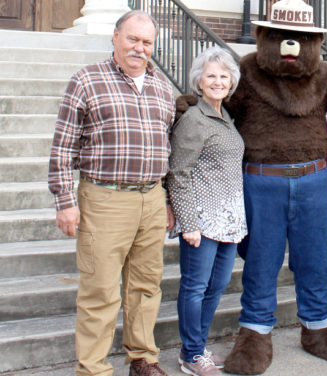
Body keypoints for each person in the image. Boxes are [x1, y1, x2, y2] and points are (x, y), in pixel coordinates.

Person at [48, 10, 175, 376]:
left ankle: (142, 359)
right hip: (104, 199)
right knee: (100, 291)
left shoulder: (162, 87)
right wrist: (65, 202)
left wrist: (165, 199)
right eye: (132, 39)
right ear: (116, 37)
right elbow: (62, 149)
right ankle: (93, 369)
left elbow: (167, 147)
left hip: (151, 199)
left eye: (147, 42)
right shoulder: (86, 80)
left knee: (146, 286)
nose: (139, 48)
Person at [166, 46, 246, 376]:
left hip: (228, 220)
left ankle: (197, 346)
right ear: (198, 81)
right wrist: (188, 223)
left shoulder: (226, 117)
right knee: (195, 287)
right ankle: (191, 353)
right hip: (201, 218)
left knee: (218, 285)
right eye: (210, 76)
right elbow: (178, 172)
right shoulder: (193, 120)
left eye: (223, 76)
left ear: (232, 82)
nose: (217, 81)